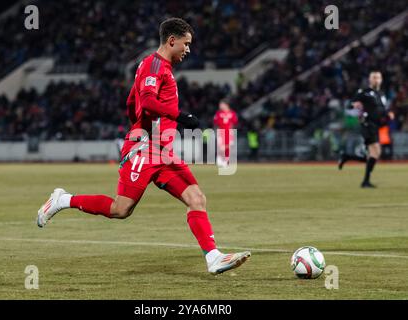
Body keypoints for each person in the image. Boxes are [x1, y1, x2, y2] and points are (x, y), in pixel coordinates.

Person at [36, 18, 250, 275]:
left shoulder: (152, 66)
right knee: (120, 209)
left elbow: (130, 103)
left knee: (196, 198)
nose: (188, 50)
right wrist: (178, 118)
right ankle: (63, 200)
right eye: (186, 43)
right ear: (172, 40)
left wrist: (140, 123)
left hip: (161, 151)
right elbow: (147, 102)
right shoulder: (155, 65)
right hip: (146, 149)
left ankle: (213, 257)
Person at [338, 71, 389, 188]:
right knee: (375, 152)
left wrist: (387, 114)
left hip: (376, 125)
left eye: (378, 77)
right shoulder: (364, 92)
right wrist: (355, 107)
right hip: (368, 124)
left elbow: (381, 109)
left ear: (381, 79)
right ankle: (365, 181)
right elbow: (350, 104)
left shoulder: (381, 94)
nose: (376, 80)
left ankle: (346, 157)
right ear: (370, 80)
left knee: (372, 155)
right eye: (374, 77)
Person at [213, 99, 238, 167]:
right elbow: (215, 123)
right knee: (221, 147)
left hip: (229, 132)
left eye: (221, 104)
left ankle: (225, 160)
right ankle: (221, 159)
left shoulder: (232, 113)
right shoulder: (218, 113)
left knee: (228, 146)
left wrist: (231, 130)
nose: (220, 106)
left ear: (226, 105)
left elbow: (235, 123)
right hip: (221, 132)